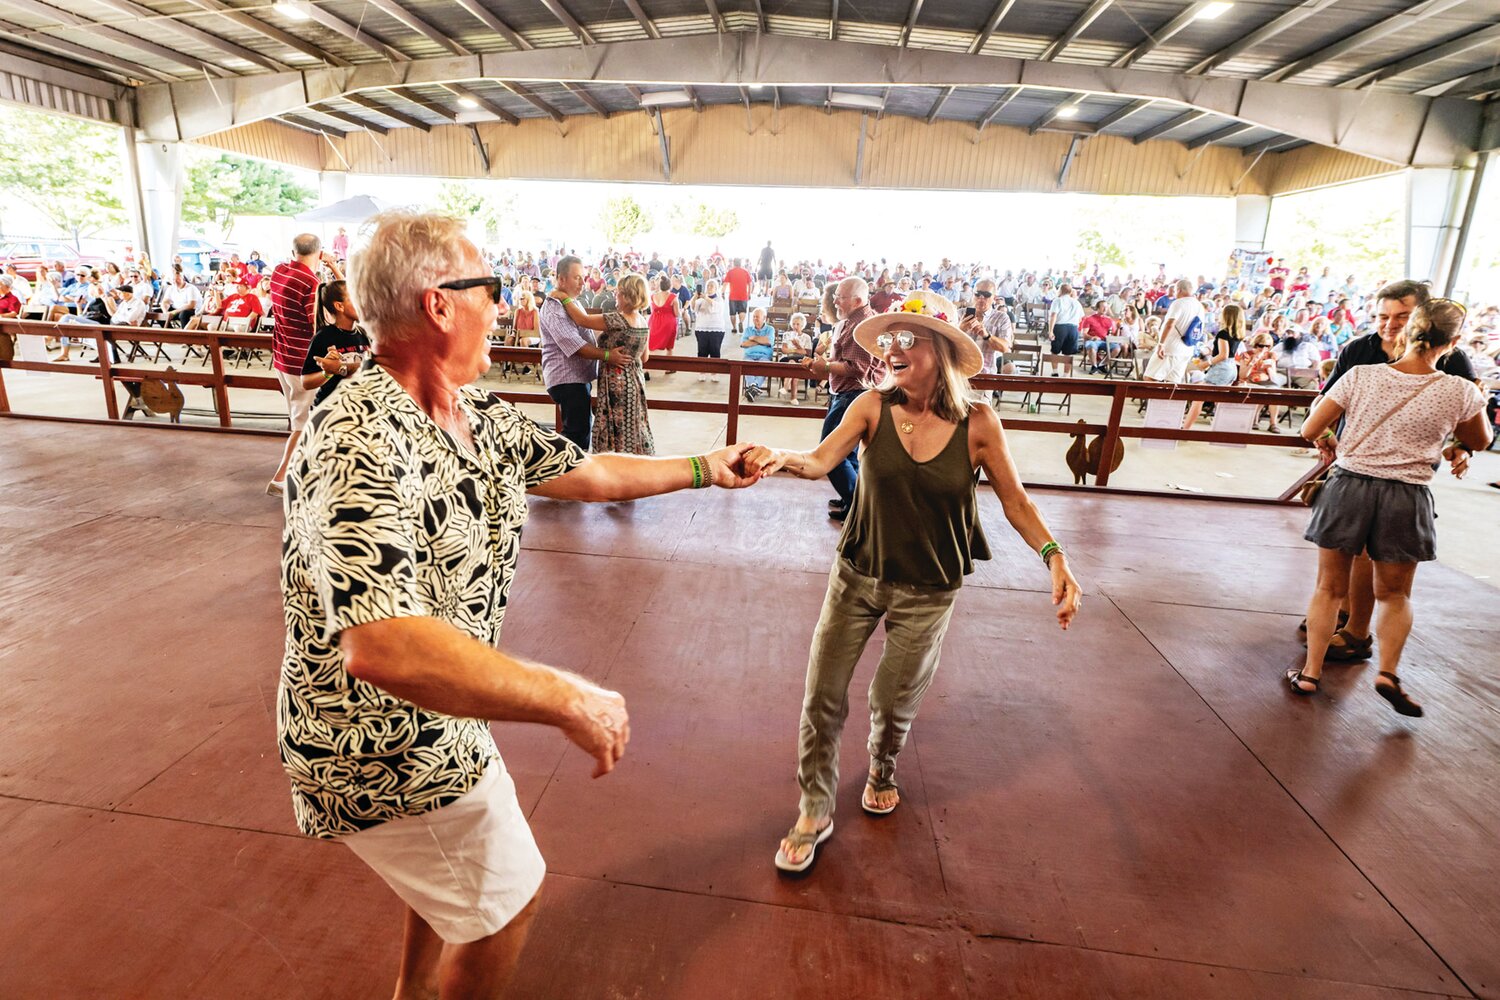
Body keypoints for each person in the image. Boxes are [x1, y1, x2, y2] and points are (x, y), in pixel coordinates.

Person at [279, 210, 760, 1000]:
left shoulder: (476, 414)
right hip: (379, 738)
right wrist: (567, 696)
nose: (502, 306)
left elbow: (592, 472)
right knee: (506, 903)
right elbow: (385, 647)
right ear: (439, 305)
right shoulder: (357, 436)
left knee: (459, 886)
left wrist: (709, 465)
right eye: (491, 290)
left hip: (443, 715)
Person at [742, 291, 1082, 873]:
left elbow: (1014, 499)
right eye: (890, 341)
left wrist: (1054, 556)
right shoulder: (871, 407)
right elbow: (822, 460)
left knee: (891, 701)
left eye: (909, 340)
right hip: (858, 574)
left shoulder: (978, 423)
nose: (894, 349)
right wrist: (779, 457)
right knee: (822, 695)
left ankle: (882, 764)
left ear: (941, 352)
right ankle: (814, 808)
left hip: (929, 588)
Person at [1289, 299, 1490, 714]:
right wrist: (1456, 442)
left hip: (1349, 488)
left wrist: (1329, 437)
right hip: (1407, 494)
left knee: (1329, 588)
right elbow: (1482, 439)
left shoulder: (1361, 376)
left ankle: (1309, 674)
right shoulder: (1460, 389)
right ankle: (1388, 672)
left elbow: (1311, 426)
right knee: (1395, 594)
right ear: (1452, 343)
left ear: (1406, 331)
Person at [267, 233, 342, 496]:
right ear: (320, 253)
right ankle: (281, 477)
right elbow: (319, 325)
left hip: (282, 356)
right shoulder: (312, 283)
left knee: (300, 418)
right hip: (303, 362)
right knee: (304, 424)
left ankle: (312, 469)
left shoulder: (279, 271)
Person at [802, 277, 881, 521]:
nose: (835, 300)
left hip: (853, 394)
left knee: (831, 454)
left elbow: (857, 367)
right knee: (847, 454)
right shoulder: (851, 320)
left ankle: (859, 505)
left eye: (841, 297)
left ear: (858, 300)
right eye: (836, 295)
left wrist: (824, 366)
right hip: (847, 393)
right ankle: (852, 500)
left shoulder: (862, 326)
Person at [551, 273, 655, 455]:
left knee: (616, 425)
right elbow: (644, 357)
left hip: (615, 379)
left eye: (619, 293)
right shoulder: (643, 322)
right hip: (636, 380)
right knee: (633, 424)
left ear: (627, 296)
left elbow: (582, 320)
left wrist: (564, 298)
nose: (616, 296)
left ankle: (616, 465)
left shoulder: (617, 319)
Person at [540, 255, 629, 450]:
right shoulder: (554, 307)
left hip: (577, 377)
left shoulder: (571, 302)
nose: (582, 282)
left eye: (583, 277)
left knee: (581, 431)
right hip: (567, 377)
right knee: (576, 436)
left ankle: (572, 474)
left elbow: (586, 326)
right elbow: (575, 345)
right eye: (576, 278)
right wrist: (607, 355)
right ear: (561, 278)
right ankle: (565, 475)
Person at [299, 279, 368, 407]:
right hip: (331, 408)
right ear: (339, 306)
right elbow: (306, 382)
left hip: (358, 405)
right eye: (355, 298)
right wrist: (327, 372)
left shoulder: (364, 334)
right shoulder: (324, 337)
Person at [1183, 303, 1245, 427]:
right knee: (1219, 399)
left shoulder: (1223, 333)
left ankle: (1185, 428)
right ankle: (1224, 427)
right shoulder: (1237, 334)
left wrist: (1206, 363)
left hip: (1221, 368)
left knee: (1198, 398)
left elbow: (1223, 354)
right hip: (1231, 368)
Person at [1144, 278, 1204, 384]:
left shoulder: (1178, 303)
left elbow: (1170, 324)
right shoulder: (1199, 305)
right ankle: (1165, 401)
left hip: (1171, 348)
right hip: (1187, 348)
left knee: (1150, 378)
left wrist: (1161, 344)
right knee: (1172, 383)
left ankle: (1155, 400)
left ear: (1179, 290)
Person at [958, 278, 1012, 374]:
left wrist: (987, 336)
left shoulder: (1002, 318)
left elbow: (1005, 348)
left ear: (994, 298)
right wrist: (959, 329)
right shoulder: (959, 314)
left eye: (986, 295)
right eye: (977, 294)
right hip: (959, 372)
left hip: (986, 374)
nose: (981, 298)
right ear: (972, 294)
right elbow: (945, 344)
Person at [693, 278, 730, 383]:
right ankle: (702, 372)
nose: (709, 288)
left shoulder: (719, 299)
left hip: (716, 329)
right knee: (702, 351)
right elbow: (693, 307)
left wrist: (706, 297)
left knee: (715, 351)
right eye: (708, 285)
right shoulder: (701, 298)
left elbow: (715, 307)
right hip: (702, 328)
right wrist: (695, 296)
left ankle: (714, 372)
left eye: (712, 286)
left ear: (716, 288)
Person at [741, 306, 776, 401]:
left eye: (757, 317)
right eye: (754, 317)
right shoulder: (748, 329)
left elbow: (769, 342)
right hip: (749, 355)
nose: (755, 319)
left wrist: (753, 338)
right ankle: (754, 387)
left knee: (764, 366)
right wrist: (761, 341)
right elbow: (744, 344)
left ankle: (752, 387)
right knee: (747, 365)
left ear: (764, 318)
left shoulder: (770, 329)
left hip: (764, 356)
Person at [778, 312, 814, 404]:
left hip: (801, 359)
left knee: (794, 364)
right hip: (786, 358)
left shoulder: (806, 337)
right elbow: (784, 350)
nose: (795, 326)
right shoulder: (787, 334)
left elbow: (807, 353)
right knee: (791, 361)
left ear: (802, 325)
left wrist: (796, 346)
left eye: (798, 324)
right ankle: (793, 397)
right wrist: (796, 350)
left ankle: (786, 387)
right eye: (793, 324)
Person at [647, 275, 680, 365]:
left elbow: (652, 310)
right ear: (670, 285)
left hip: (654, 322)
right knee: (669, 347)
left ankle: (649, 365)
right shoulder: (673, 297)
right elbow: (677, 314)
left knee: (651, 344)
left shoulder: (652, 296)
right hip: (669, 322)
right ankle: (669, 367)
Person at [1079, 300, 1117, 374]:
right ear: (1097, 308)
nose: (1105, 309)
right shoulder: (1089, 319)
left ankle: (1102, 365)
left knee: (1116, 348)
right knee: (1091, 345)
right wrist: (1092, 337)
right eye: (1103, 307)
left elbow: (1112, 333)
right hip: (1093, 340)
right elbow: (1084, 334)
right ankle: (1094, 366)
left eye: (1106, 307)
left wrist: (1110, 336)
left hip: (1105, 341)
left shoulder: (1109, 320)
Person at [1046, 283, 1084, 356]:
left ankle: (1055, 368)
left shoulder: (1057, 300)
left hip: (1060, 328)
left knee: (1055, 352)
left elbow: (1053, 316)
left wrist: (1050, 331)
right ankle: (1067, 368)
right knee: (1068, 355)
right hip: (1073, 329)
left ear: (1060, 291)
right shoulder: (1076, 302)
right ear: (1070, 292)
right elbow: (1080, 318)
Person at [724, 258, 753, 334]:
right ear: (741, 263)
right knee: (742, 311)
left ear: (734, 263)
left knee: (732, 313)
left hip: (733, 296)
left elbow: (725, 283)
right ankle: (741, 322)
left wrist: (723, 292)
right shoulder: (745, 272)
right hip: (743, 295)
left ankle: (734, 328)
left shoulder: (730, 272)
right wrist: (749, 293)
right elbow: (750, 283)